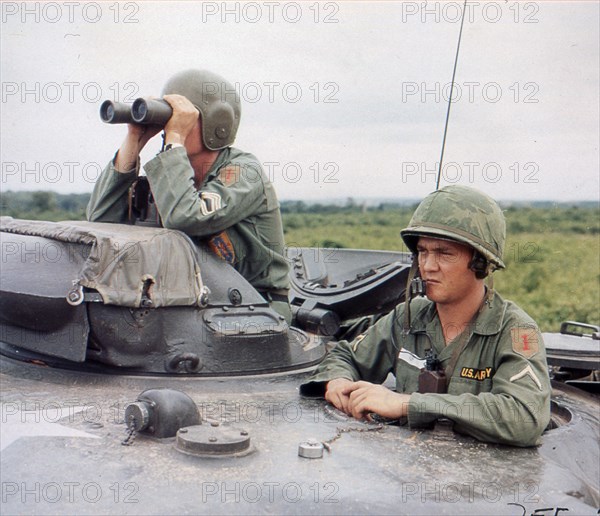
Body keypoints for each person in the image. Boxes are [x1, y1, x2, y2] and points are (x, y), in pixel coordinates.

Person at [300, 185, 551, 446]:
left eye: (444, 253)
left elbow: (525, 417)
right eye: (423, 252)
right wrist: (338, 381)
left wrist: (407, 404)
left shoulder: (516, 330)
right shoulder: (409, 317)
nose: (428, 266)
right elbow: (345, 355)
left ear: (480, 263)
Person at [87, 69, 291, 322]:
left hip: (255, 307)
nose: (170, 125)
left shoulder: (244, 172)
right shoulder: (170, 174)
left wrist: (174, 139)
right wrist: (134, 138)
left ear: (216, 122)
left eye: (182, 118)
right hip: (196, 304)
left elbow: (186, 217)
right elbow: (101, 222)